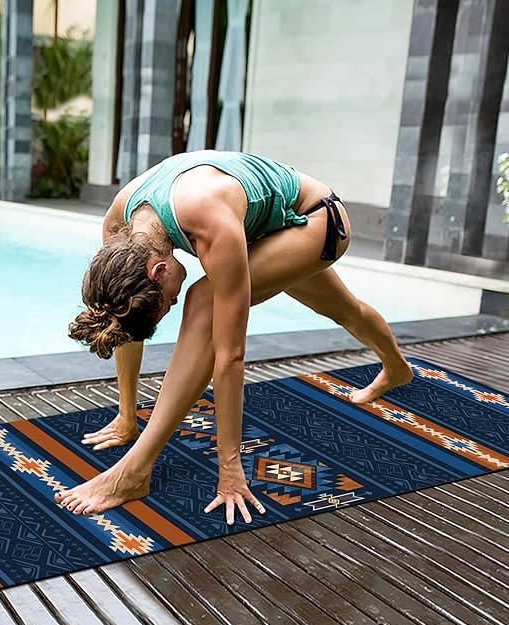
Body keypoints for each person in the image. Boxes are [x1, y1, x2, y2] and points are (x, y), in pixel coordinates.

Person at [55, 149, 413, 525]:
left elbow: (230, 355)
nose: (172, 303)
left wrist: (230, 469)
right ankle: (397, 368)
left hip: (318, 220)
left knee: (203, 300)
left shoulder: (209, 223)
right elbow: (125, 321)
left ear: (158, 270)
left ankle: (134, 472)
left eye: (166, 303)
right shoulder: (120, 231)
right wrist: (126, 415)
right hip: (262, 228)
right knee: (344, 309)